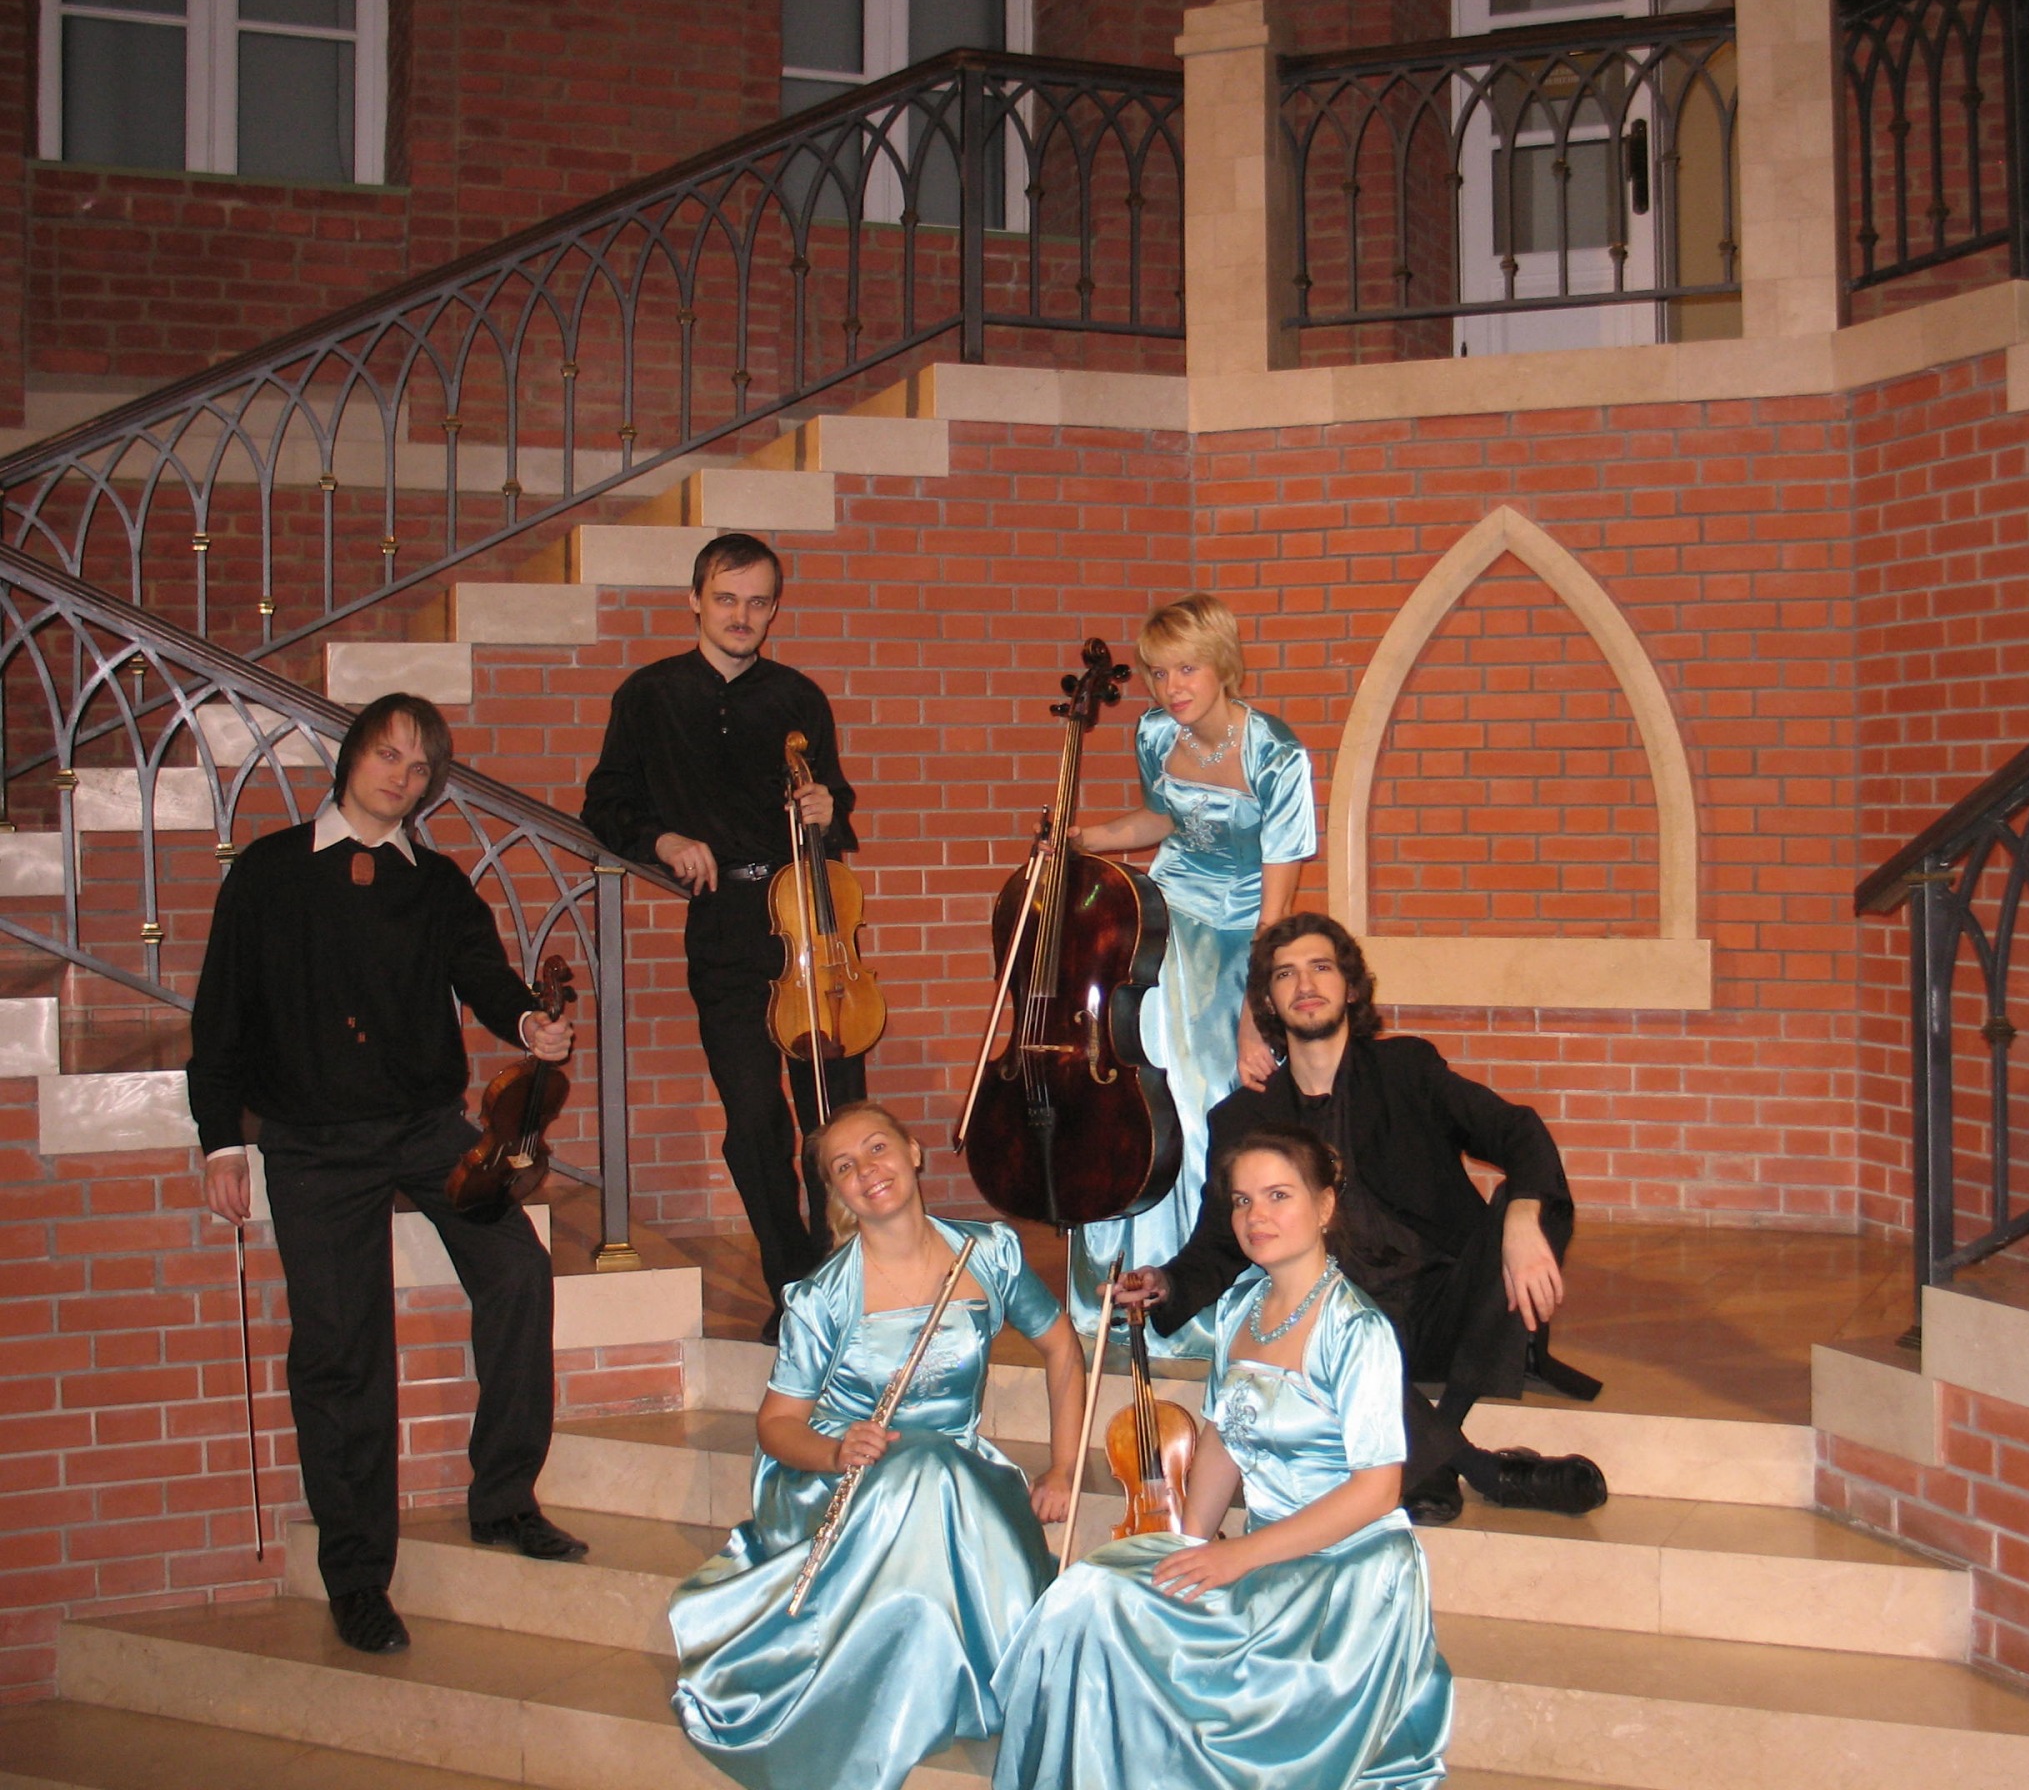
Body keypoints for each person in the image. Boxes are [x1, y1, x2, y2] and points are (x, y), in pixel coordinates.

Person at [191, 693, 587, 1657]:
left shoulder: (437, 882)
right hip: (312, 1142)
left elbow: (484, 975)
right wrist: (220, 1140)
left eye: (419, 768)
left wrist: (528, 1023)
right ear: (352, 757)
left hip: (424, 1129)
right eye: (387, 755)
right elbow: (221, 1012)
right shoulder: (270, 871)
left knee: (517, 1270)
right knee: (342, 1351)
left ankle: (503, 1497)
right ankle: (358, 1574)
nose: (401, 777)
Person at [991, 1127, 1452, 1790]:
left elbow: (1377, 1492)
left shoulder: (1358, 1330)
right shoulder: (1239, 1309)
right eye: (1241, 1201)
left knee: (1118, 1614)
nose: (1255, 1215)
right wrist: (1187, 1546)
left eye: (1278, 1195)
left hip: (1345, 1576)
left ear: (1325, 1206)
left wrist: (1236, 1558)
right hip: (1266, 1555)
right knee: (1087, 1593)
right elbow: (1221, 1441)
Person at [1118, 911, 1607, 1526]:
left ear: (1350, 987)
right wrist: (1165, 1282)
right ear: (1267, 1001)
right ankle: (1475, 1468)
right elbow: (1219, 1244)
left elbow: (1518, 1131)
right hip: (1340, 1327)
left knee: (1529, 1201)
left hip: (1444, 1308)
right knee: (1299, 1301)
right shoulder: (1243, 1120)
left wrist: (1523, 1221)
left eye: (1321, 967)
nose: (1305, 985)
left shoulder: (1407, 1070)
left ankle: (1433, 1454)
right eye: (1285, 974)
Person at [671, 1101, 1086, 1790]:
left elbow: (1063, 1347)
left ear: (913, 1153)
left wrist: (1065, 1467)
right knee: (922, 1476)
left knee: (932, 1471)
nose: (867, 1171)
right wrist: (834, 1453)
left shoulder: (989, 1254)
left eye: (876, 1149)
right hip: (835, 1476)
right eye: (844, 1167)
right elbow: (776, 1425)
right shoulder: (822, 1298)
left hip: (955, 1471)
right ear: (837, 1193)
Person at [581, 533, 863, 1339]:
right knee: (753, 1119)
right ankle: (797, 1287)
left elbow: (835, 801)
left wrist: (828, 807)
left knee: (836, 1115)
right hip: (726, 924)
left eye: (758, 601)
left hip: (811, 923)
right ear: (696, 600)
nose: (743, 615)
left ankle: (847, 1280)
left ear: (774, 608)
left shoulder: (799, 697)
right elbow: (605, 804)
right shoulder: (649, 695)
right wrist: (662, 840)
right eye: (727, 598)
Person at [1064, 593, 1314, 1349]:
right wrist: (1088, 837)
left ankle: (1201, 1289)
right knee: (1134, 1079)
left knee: (1204, 1093)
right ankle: (1119, 1271)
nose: (1170, 687)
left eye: (1186, 669)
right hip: (1161, 916)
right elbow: (1164, 819)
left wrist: (1254, 1016)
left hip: (1241, 934)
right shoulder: (1153, 731)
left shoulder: (1276, 753)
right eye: (1157, 672)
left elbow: (1276, 906)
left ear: (1222, 665)